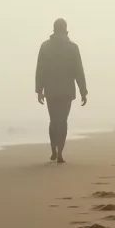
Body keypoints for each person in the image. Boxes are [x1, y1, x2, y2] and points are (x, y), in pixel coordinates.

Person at [35, 18, 87, 163]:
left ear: (53, 29)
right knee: (63, 121)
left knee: (53, 120)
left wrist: (39, 90)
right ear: (65, 30)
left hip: (51, 90)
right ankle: (60, 153)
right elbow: (78, 70)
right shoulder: (73, 47)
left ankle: (53, 149)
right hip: (66, 91)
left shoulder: (45, 46)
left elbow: (40, 69)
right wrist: (83, 91)